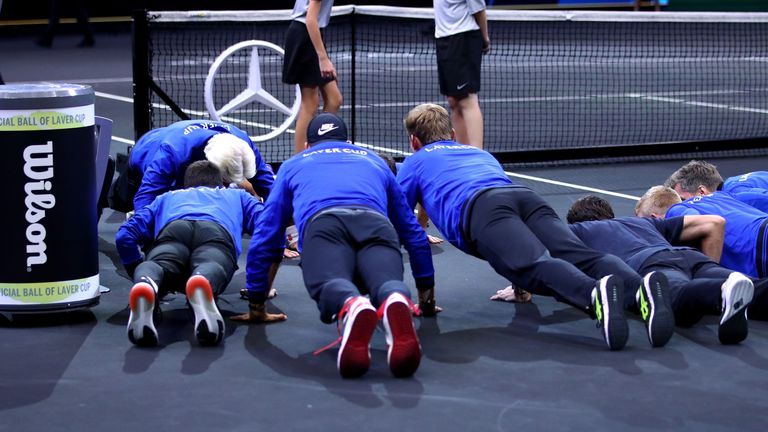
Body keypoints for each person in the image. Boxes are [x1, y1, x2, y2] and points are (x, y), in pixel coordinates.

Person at [397, 103, 674, 350]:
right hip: (524, 197)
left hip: (482, 210)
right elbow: (513, 232)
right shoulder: (477, 154)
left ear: (414, 141)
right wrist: (519, 290)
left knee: (534, 263)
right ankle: (641, 289)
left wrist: (426, 300)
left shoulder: (413, 164)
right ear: (453, 135)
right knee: (580, 254)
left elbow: (404, 222)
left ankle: (593, 294)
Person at [238, 113, 433, 378]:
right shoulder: (375, 161)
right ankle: (394, 299)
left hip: (325, 226)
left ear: (307, 145)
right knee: (386, 282)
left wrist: (257, 301)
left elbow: (266, 234)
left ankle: (350, 305)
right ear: (349, 141)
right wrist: (426, 296)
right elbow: (412, 231)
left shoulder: (292, 165)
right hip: (376, 225)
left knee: (330, 283)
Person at [115, 161, 285, 347]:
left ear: (186, 184)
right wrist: (261, 280)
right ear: (221, 183)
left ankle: (146, 282)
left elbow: (125, 236)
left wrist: (135, 270)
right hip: (217, 234)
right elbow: (268, 225)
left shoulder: (166, 197)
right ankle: (202, 280)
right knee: (212, 261)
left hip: (173, 231)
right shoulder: (237, 195)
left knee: (159, 263)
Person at [566, 195, 754, 344]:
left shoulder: (577, 231)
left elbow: (541, 252)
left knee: (673, 296)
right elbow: (714, 222)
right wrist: (711, 264)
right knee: (752, 287)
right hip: (689, 255)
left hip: (650, 263)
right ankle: (729, 281)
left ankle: (721, 291)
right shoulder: (643, 222)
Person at [109, 119, 274, 214]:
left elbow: (270, 188)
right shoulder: (171, 153)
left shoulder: (243, 144)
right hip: (148, 153)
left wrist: (289, 232)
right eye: (224, 181)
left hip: (186, 155)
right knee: (121, 202)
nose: (224, 186)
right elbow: (145, 198)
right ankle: (103, 192)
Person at [636, 185, 768, 279]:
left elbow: (712, 224)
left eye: (642, 222)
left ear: (654, 218)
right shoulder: (718, 195)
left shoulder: (675, 212)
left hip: (760, 246)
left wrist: (709, 278)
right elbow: (762, 197)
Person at [283, 0, 343, 155]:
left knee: (334, 99)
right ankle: (300, 159)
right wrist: (323, 58)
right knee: (310, 103)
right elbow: (310, 19)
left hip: (312, 34)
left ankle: (318, 146)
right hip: (305, 35)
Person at [433, 0, 490, 149]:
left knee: (467, 99)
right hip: (443, 36)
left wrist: (485, 38)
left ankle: (477, 156)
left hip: (464, 36)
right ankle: (462, 152)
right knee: (453, 100)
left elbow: (479, 9)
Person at [666, 160, 768, 213]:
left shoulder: (736, 193)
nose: (680, 205)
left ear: (701, 192)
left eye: (682, 199)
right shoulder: (732, 184)